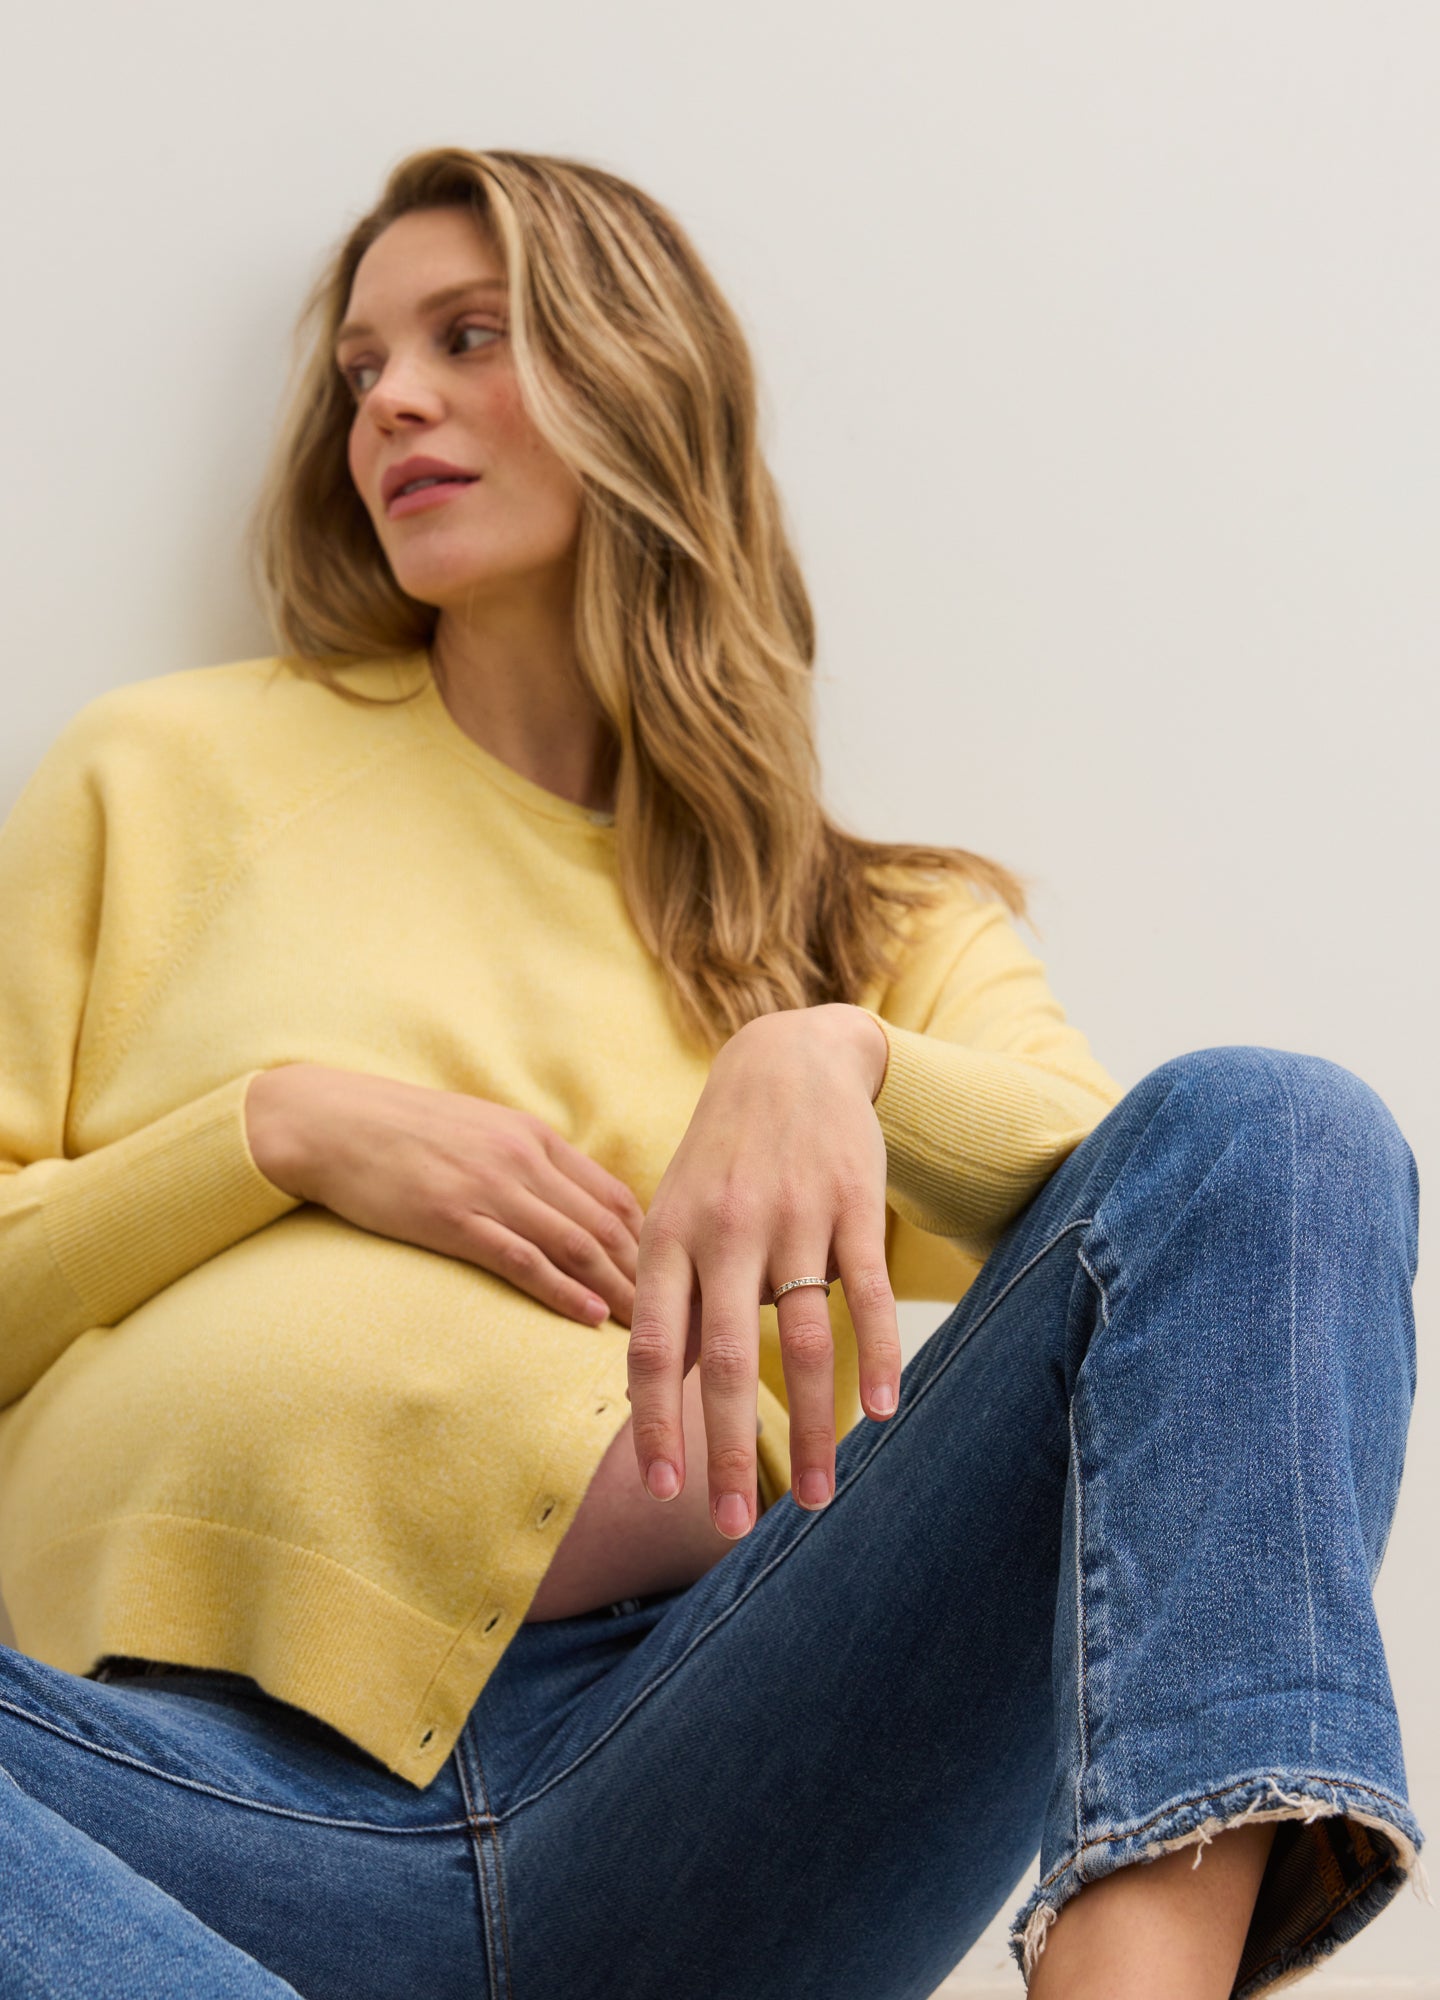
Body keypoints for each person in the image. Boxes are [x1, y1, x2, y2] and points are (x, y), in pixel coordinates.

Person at [0, 144, 1421, 2000]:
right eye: (359, 370)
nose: (393, 403)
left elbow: (1202, 1223)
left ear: (639, 379)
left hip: (723, 1768)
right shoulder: (164, 777)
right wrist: (274, 1133)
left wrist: (836, 1059)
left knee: (1289, 1123)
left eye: (470, 336)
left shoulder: (883, 924)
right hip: (184, 1817)